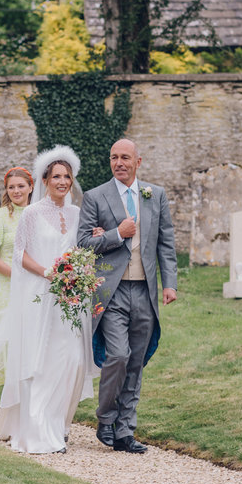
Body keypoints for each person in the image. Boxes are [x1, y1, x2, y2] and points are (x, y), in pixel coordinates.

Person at [0, 145, 98, 454]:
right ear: (46, 180)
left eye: (67, 176)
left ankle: (60, 425)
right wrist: (50, 273)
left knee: (73, 361)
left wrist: (77, 273)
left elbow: (83, 248)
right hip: (40, 294)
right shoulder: (33, 213)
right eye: (56, 176)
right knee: (42, 361)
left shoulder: (78, 213)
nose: (62, 181)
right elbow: (19, 254)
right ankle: (38, 429)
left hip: (70, 297)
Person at [77, 138, 178, 454]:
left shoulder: (155, 195)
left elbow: (166, 243)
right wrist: (116, 234)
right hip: (112, 291)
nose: (119, 163)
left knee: (135, 361)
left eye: (125, 158)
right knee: (117, 355)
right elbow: (81, 243)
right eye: (113, 157)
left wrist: (169, 283)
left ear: (138, 161)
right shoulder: (95, 197)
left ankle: (125, 432)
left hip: (145, 290)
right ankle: (105, 418)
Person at [0, 167, 34, 397]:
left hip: (35, 286)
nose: (16, 191)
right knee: (9, 339)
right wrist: (19, 276)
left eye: (21, 186)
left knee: (31, 338)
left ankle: (29, 393)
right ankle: (10, 397)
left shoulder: (37, 214)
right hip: (6, 285)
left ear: (31, 187)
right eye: (11, 187)